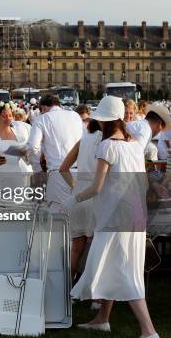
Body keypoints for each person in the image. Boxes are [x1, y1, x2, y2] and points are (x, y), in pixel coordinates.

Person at [71, 96, 158, 338]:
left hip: (115, 219)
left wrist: (74, 199)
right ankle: (102, 319)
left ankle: (149, 331)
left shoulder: (106, 146)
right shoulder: (134, 145)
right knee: (116, 265)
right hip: (134, 217)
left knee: (124, 272)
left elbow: (97, 187)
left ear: (106, 122)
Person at [59, 119, 101, 281]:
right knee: (96, 248)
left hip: (78, 195)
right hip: (96, 195)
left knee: (76, 248)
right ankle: (95, 295)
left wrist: (75, 185)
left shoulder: (83, 141)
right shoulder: (107, 142)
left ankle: (66, 289)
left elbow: (63, 168)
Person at [24, 94, 83, 208]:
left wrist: (38, 169)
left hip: (58, 174)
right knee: (78, 218)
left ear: (44, 108)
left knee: (58, 219)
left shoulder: (42, 119)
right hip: (80, 171)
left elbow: (32, 146)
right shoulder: (75, 115)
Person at [0, 101, 32, 189]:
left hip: (17, 177)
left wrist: (25, 153)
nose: (8, 118)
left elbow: (26, 157)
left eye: (10, 115)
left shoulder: (18, 134)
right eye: (4, 116)